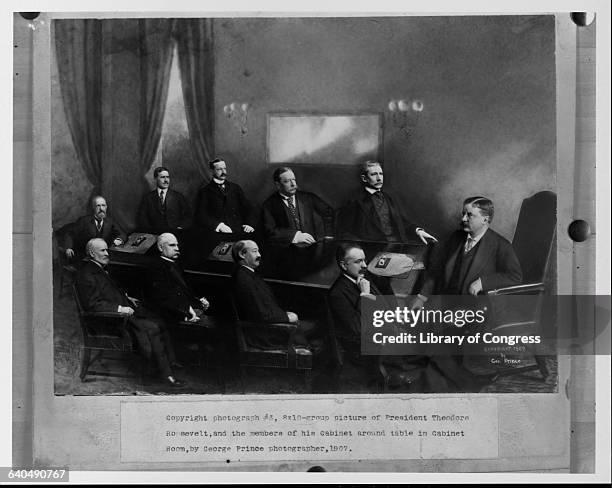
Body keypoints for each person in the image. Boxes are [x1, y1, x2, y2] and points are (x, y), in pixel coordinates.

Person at [411, 196, 522, 391]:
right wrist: (420, 297)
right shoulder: (456, 238)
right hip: (446, 299)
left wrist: (484, 282)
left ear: (485, 219)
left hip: (476, 305)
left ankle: (453, 380)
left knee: (439, 338)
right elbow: (435, 271)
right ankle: (467, 381)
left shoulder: (500, 245)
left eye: (469, 214)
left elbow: (515, 276)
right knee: (423, 331)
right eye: (463, 213)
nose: (463, 218)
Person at [328, 243, 447, 391]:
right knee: (423, 351)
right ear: (344, 265)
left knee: (430, 343)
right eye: (358, 262)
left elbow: (384, 305)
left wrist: (395, 316)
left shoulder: (365, 280)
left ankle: (414, 382)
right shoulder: (338, 293)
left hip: (384, 332)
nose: (364, 265)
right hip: (366, 346)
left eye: (365, 260)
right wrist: (365, 295)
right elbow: (357, 329)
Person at [75, 238, 185, 387]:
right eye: (103, 251)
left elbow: (108, 292)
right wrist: (121, 309)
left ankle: (167, 364)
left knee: (157, 320)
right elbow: (92, 305)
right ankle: (166, 374)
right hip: (106, 321)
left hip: (118, 314)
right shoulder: (87, 274)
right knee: (151, 328)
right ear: (91, 253)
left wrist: (126, 298)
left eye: (107, 250)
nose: (107, 254)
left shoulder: (97, 268)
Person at [231, 239, 316, 348]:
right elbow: (261, 314)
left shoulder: (248, 275)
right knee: (314, 332)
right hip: (263, 334)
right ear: (242, 254)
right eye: (254, 251)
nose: (259, 255)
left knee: (314, 328)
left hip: (268, 327)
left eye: (258, 251)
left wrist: (285, 314)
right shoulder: (243, 279)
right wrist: (287, 317)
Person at [337, 160, 437, 244]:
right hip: (372, 249)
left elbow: (401, 222)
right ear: (364, 178)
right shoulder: (355, 200)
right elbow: (345, 232)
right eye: (373, 174)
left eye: (381, 174)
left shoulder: (388, 197)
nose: (379, 178)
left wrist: (418, 231)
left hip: (397, 245)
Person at [261, 167, 334, 247]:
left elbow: (329, 212)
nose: (293, 184)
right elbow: (269, 231)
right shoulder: (269, 205)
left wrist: (328, 235)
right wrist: (295, 236)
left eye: (294, 179)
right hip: (286, 253)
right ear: (278, 185)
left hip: (312, 249)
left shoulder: (308, 197)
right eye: (287, 181)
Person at [146, 233, 210, 323]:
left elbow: (184, 290)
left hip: (186, 310)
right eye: (172, 245)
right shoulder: (156, 268)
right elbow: (164, 297)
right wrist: (187, 309)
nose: (177, 249)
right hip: (174, 315)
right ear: (160, 248)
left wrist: (199, 301)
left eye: (177, 245)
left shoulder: (175, 264)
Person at [194, 158, 256, 236]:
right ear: (212, 171)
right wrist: (219, 225)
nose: (224, 172)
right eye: (219, 169)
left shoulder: (235, 188)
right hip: (217, 234)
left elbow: (248, 208)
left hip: (238, 232)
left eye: (224, 168)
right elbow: (201, 215)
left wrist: (249, 224)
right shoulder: (205, 191)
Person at [64, 195, 125, 260]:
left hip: (104, 257)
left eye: (103, 205)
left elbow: (122, 234)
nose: (101, 209)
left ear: (106, 207)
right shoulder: (84, 221)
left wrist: (118, 239)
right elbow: (70, 234)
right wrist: (68, 248)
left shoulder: (109, 222)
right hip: (86, 257)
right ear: (93, 208)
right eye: (98, 206)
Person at [137, 167, 191, 234]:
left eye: (167, 177)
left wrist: (180, 228)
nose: (166, 180)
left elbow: (187, 216)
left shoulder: (178, 197)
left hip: (175, 234)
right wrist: (151, 232)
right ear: (156, 179)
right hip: (155, 235)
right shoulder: (148, 198)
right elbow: (143, 219)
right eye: (162, 177)